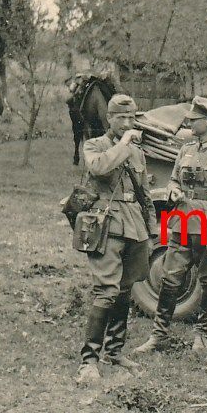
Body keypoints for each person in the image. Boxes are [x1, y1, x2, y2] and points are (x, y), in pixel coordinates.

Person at [132, 96, 207, 356]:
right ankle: (159, 335)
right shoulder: (186, 150)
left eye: (195, 120)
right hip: (183, 220)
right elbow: (174, 179)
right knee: (170, 277)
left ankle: (201, 334)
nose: (189, 124)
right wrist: (173, 190)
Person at [75, 94, 155, 386]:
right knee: (106, 291)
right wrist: (124, 144)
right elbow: (99, 167)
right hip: (105, 226)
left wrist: (151, 229)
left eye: (131, 117)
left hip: (134, 226)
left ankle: (114, 351)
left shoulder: (137, 152)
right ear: (109, 118)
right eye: (121, 117)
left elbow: (144, 193)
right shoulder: (95, 145)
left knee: (124, 290)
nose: (127, 122)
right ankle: (89, 361)